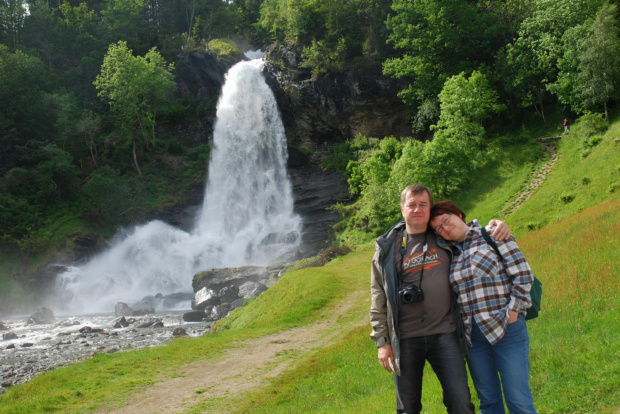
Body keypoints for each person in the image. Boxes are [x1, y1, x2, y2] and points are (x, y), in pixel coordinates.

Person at [370, 184, 510, 414]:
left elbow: (471, 233)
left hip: (445, 334)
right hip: (404, 338)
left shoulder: (444, 236)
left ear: (429, 208)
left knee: (461, 402)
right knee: (408, 408)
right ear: (402, 209)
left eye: (423, 205)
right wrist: (382, 342)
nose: (417, 210)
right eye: (411, 205)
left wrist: (496, 225)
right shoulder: (387, 248)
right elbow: (377, 295)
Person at [429, 201, 537, 414]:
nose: (446, 228)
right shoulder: (448, 253)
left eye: (446, 220)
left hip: (507, 329)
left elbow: (523, 275)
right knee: (489, 403)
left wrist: (513, 312)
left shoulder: (492, 234)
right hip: (474, 340)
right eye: (439, 229)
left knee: (518, 401)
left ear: (458, 214)